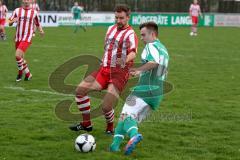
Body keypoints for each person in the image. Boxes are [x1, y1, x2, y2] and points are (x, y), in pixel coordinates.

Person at [69, 4, 138, 134]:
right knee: (80, 91)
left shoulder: (130, 34)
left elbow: (133, 53)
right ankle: (86, 124)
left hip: (119, 73)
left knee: (106, 107)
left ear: (128, 17)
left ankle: (110, 127)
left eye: (121, 18)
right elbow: (107, 48)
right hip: (104, 70)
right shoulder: (110, 29)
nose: (118, 21)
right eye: (116, 17)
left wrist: (125, 60)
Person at [109, 22, 169, 155]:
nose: (141, 38)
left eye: (143, 35)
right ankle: (114, 146)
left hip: (145, 89)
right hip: (158, 92)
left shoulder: (150, 46)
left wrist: (138, 70)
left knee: (126, 115)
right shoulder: (163, 49)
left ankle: (134, 136)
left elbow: (153, 62)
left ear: (152, 34)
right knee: (127, 119)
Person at [9, 0, 44, 82]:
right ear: (22, 2)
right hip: (18, 37)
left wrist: (41, 31)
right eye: (25, 0)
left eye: (28, 1)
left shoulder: (34, 12)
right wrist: (12, 21)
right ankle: (28, 75)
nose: (26, 2)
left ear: (30, 2)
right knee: (21, 58)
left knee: (17, 55)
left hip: (27, 37)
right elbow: (9, 22)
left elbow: (38, 23)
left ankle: (20, 73)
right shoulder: (17, 10)